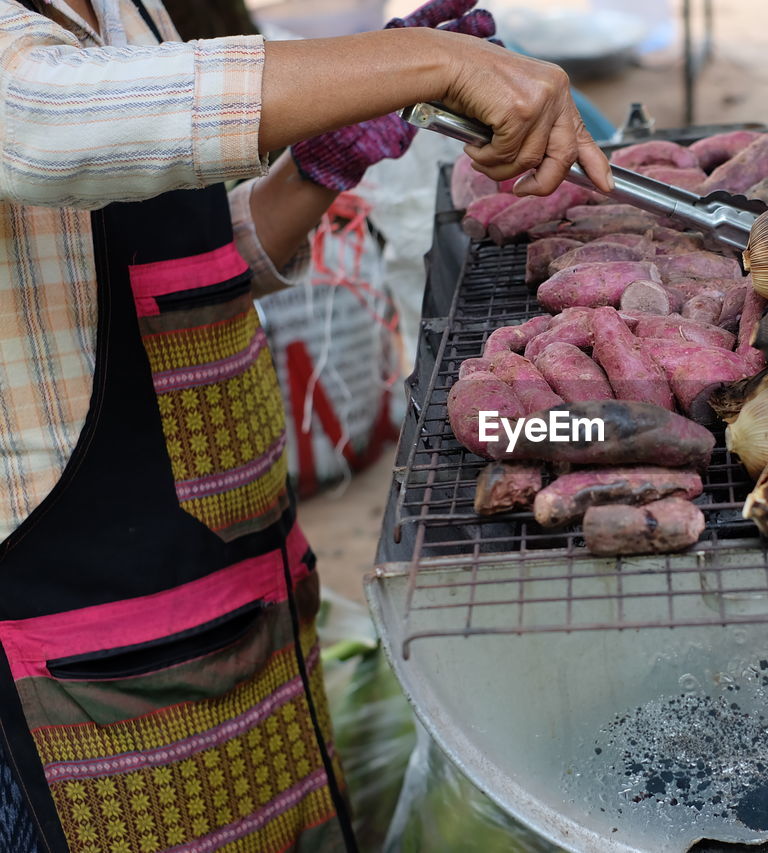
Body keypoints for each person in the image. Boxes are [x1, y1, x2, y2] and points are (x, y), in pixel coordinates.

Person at [0, 0, 613, 850]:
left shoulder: (126, 9)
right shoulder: (31, 70)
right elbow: (38, 118)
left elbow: (200, 267)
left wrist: (321, 167)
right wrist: (422, 63)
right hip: (66, 637)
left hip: (237, 585)